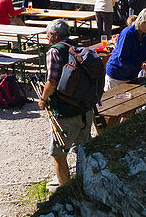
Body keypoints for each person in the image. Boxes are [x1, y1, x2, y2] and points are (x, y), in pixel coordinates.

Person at [37, 19, 94, 189]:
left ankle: (66, 190)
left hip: (64, 113)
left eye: (48, 35)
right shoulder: (77, 47)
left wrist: (43, 99)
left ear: (54, 35)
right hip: (85, 108)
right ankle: (86, 183)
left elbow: (52, 82)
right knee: (83, 149)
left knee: (58, 154)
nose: (47, 39)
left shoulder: (54, 52)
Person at [104, 8, 146, 91]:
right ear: (141, 21)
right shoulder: (127, 34)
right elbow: (122, 58)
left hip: (133, 76)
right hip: (117, 75)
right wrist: (140, 64)